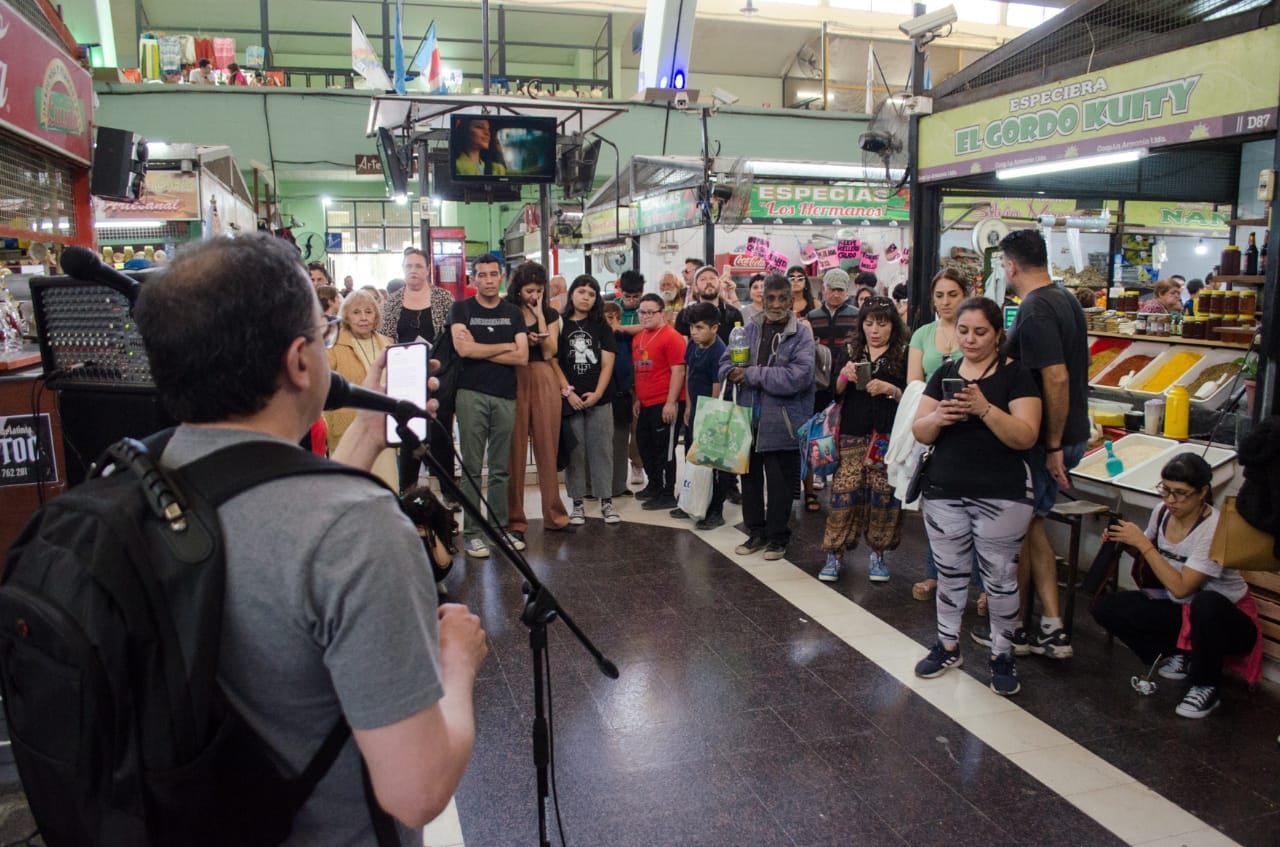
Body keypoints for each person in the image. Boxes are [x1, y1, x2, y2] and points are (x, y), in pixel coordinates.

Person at [132, 232, 487, 846]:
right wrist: (456, 660)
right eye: (323, 338)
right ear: (301, 361)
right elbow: (417, 790)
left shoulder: (131, 481)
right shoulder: (362, 532)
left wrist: (368, 435)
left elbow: (274, 509)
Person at [911, 297, 1042, 696]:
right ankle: (947, 644)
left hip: (1001, 492)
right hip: (944, 489)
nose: (970, 339)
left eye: (980, 332)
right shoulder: (945, 373)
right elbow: (920, 429)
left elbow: (1025, 435)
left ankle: (1002, 653)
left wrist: (985, 409)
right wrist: (938, 418)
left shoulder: (1016, 376)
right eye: (964, 331)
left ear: (998, 334)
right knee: (950, 574)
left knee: (1000, 579)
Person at [985, 228, 1090, 659]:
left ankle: (1048, 627)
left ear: (1010, 265)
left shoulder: (1036, 307)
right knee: (1028, 527)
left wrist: (1050, 445)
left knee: (1026, 526)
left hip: (1048, 439)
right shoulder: (1067, 299)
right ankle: (1022, 625)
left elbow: (1057, 377)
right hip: (1068, 432)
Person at [1093, 453, 1262, 718]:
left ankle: (1206, 685)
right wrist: (1126, 540)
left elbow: (1183, 588)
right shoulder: (1162, 512)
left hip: (1228, 621)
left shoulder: (1214, 528)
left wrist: (1143, 544)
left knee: (1205, 604)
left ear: (1202, 492)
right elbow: (1149, 557)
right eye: (1166, 490)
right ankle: (1179, 653)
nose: (1171, 500)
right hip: (1183, 610)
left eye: (1180, 493)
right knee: (1106, 607)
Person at [723, 274, 815, 560]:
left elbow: (797, 377)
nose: (775, 304)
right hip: (748, 420)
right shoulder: (748, 330)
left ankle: (777, 537)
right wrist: (730, 371)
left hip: (783, 424)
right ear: (761, 299)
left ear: (790, 300)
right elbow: (725, 362)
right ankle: (756, 533)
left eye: (781, 298)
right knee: (750, 482)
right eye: (769, 298)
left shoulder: (801, 334)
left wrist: (751, 374)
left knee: (780, 485)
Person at [820, 296, 909, 584]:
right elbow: (834, 392)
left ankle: (879, 554)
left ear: (892, 326)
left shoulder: (905, 354)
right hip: (852, 434)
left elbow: (913, 395)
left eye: (881, 324)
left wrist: (891, 389)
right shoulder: (851, 350)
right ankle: (834, 553)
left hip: (888, 436)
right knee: (843, 494)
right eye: (869, 323)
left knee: (884, 497)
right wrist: (845, 377)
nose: (875, 330)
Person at [449, 254, 528, 558]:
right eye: (482, 275)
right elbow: (462, 349)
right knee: (471, 466)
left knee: (499, 469)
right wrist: (506, 345)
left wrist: (479, 351)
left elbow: (522, 357)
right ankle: (472, 533)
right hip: (470, 394)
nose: (488, 280)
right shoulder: (461, 308)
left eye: (493, 274)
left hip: (505, 394)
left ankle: (498, 529)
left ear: (502, 277)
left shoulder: (513, 313)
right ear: (473, 279)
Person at [907, 269, 969, 602]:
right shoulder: (922, 335)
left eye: (953, 294)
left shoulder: (975, 333)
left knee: (979, 507)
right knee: (937, 506)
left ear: (966, 295)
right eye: (940, 295)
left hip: (973, 425)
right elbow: (915, 385)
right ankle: (935, 574)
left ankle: (985, 586)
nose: (945, 302)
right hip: (935, 424)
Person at [505, 262, 572, 543]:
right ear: (517, 290)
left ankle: (555, 515)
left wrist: (539, 316)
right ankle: (515, 519)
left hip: (544, 375)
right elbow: (508, 348)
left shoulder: (551, 313)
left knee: (548, 446)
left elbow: (550, 350)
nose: (533, 295)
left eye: (539, 290)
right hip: (515, 376)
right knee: (515, 451)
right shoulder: (507, 312)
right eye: (529, 291)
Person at [381, 249, 456, 497]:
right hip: (405, 379)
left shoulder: (444, 298)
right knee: (408, 435)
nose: (413, 270)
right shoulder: (392, 301)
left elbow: (452, 337)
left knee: (441, 434)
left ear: (427, 269)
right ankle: (407, 492)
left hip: (439, 375)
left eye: (418, 266)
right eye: (408, 266)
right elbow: (386, 340)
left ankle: (449, 493)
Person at [556, 275, 619, 525]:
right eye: (581, 292)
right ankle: (577, 502)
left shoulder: (601, 326)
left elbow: (607, 363)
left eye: (591, 294)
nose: (586, 297)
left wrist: (597, 394)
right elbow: (553, 361)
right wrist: (567, 392)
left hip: (599, 400)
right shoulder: (560, 325)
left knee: (602, 450)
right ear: (572, 294)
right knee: (576, 452)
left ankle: (606, 501)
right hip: (569, 400)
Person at [324, 289, 397, 486]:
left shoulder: (388, 344)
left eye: (368, 311)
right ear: (346, 315)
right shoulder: (334, 346)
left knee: (386, 486)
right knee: (350, 488)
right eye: (356, 312)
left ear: (376, 315)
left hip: (384, 429)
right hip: (347, 432)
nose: (363, 318)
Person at [805, 267, 859, 510]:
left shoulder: (857, 316)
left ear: (846, 292)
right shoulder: (812, 316)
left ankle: (840, 478)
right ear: (823, 290)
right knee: (819, 431)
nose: (836, 294)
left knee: (843, 431)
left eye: (840, 290)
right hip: (817, 384)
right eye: (831, 289)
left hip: (846, 382)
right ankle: (818, 473)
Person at [674, 301, 730, 530]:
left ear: (714, 328)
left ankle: (716, 509)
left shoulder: (719, 350)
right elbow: (690, 374)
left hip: (713, 413)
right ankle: (690, 500)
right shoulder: (693, 345)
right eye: (692, 328)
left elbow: (718, 386)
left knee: (715, 464)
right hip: (695, 409)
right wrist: (688, 407)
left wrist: (711, 416)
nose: (694, 332)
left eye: (699, 328)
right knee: (693, 457)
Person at [632, 293, 687, 510]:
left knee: (664, 449)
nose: (645, 316)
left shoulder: (671, 337)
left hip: (664, 402)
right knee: (644, 445)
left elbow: (679, 371)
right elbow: (639, 372)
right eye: (642, 312)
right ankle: (653, 484)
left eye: (650, 312)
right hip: (645, 403)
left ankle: (666, 492)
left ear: (661, 313)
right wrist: (637, 398)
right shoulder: (639, 338)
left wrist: (671, 403)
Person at [675, 265, 745, 345]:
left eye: (712, 278)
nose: (708, 282)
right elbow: (683, 347)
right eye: (703, 279)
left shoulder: (733, 313)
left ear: (719, 284)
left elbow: (740, 343)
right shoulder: (685, 314)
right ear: (696, 287)